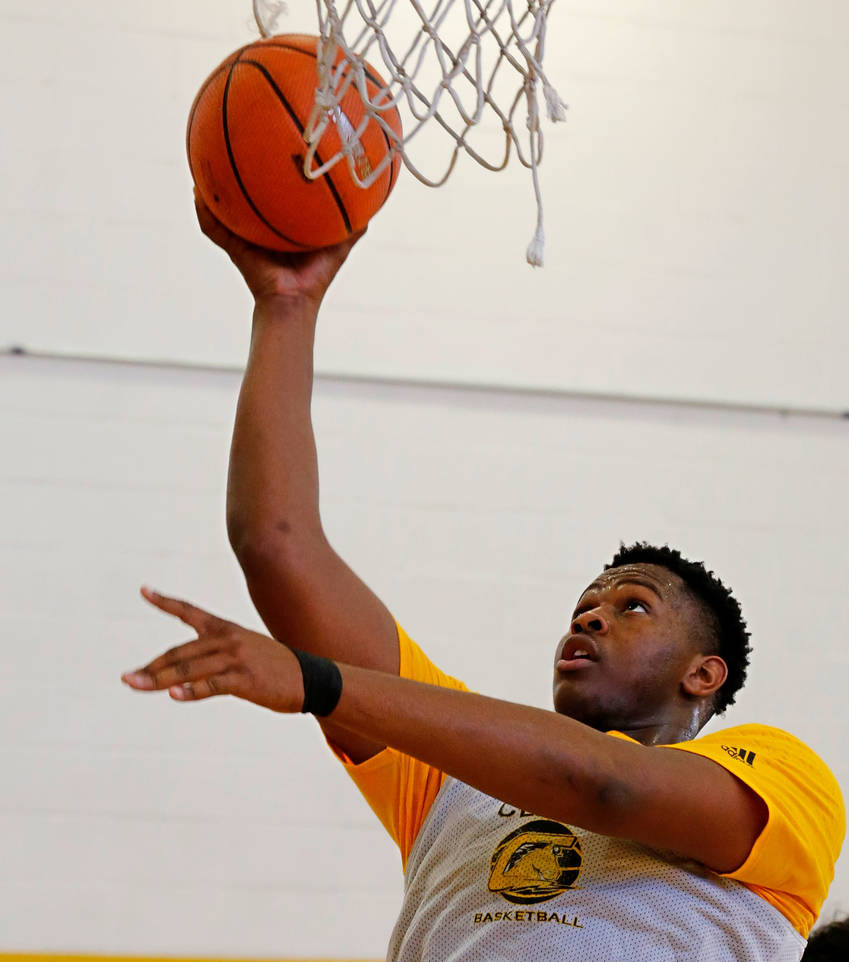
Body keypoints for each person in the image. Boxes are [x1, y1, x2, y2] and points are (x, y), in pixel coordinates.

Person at [123, 197, 845, 961]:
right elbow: (277, 546)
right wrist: (285, 303)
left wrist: (318, 683)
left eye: (632, 605)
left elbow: (607, 785)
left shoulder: (777, 774)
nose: (590, 618)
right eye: (585, 605)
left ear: (704, 674)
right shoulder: (451, 779)